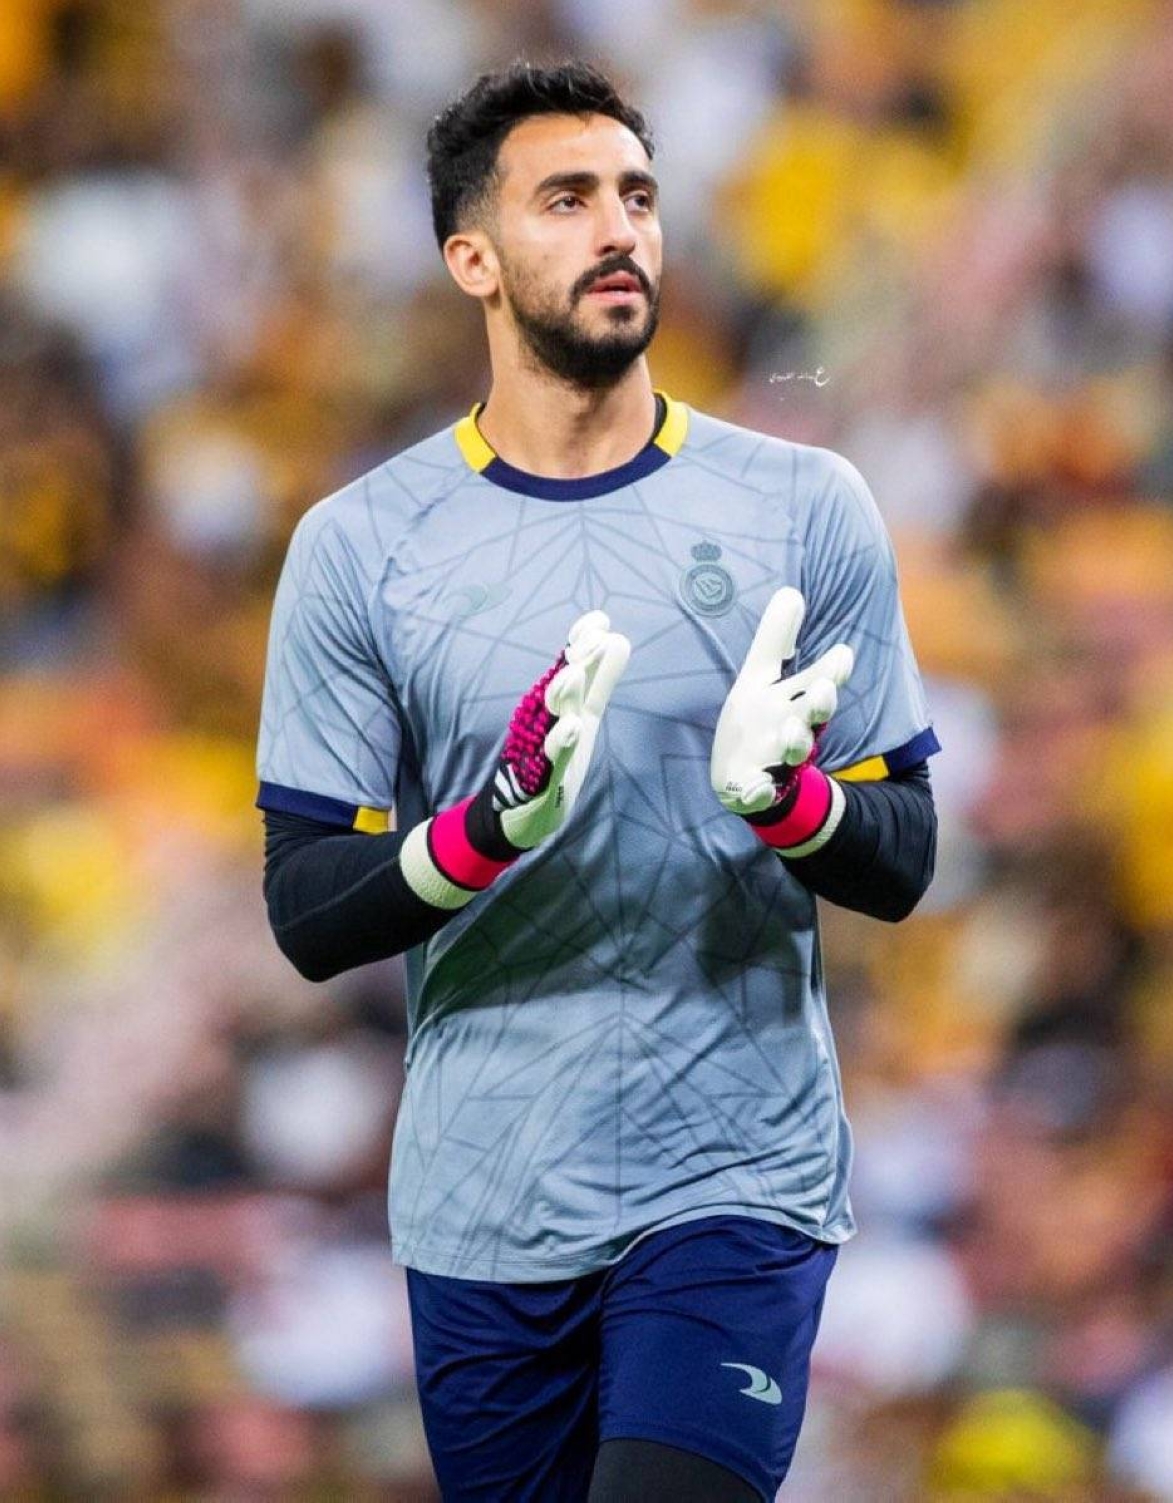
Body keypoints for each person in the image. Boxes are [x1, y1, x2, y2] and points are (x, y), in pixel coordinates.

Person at [256, 60, 939, 1503]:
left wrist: (791, 806)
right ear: (474, 259)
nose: (619, 228)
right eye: (566, 200)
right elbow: (307, 907)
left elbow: (905, 855)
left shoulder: (803, 506)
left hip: (735, 1175)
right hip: (483, 1198)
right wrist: (480, 832)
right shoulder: (360, 546)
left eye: (637, 195)